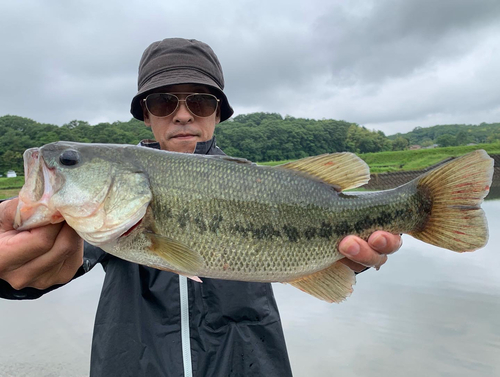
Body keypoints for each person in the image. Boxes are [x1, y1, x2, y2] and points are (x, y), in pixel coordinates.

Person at [0, 38, 402, 376]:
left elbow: (326, 255)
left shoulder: (261, 183)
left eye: (201, 102)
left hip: (250, 363)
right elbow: (45, 268)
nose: (182, 114)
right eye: (161, 102)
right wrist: (10, 272)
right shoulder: (103, 214)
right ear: (145, 114)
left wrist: (340, 260)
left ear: (218, 113)